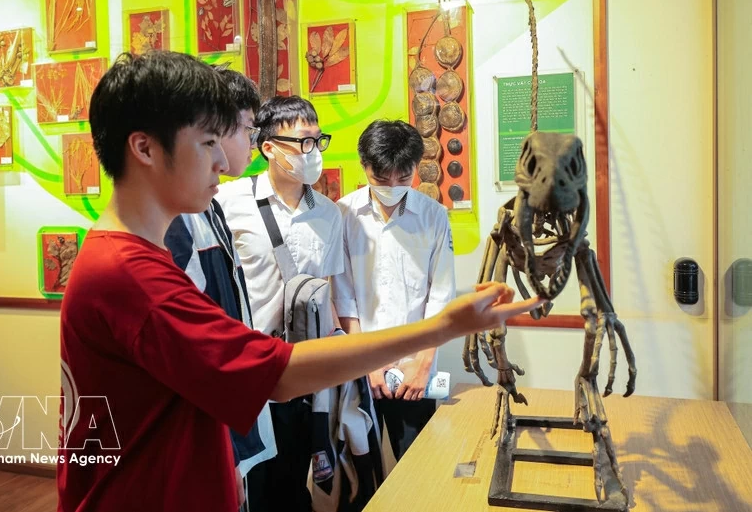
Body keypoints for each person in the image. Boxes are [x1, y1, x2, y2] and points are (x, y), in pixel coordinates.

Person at [57, 50, 543, 512]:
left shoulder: (139, 259)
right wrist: (442, 328)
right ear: (143, 147)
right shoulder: (130, 276)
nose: (225, 163)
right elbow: (280, 373)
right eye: (209, 142)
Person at [215, 95, 343, 511]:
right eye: (302, 142)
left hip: (302, 371)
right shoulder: (228, 203)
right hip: (247, 370)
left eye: (317, 141)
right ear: (268, 147)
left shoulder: (329, 213)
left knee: (292, 482)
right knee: (252, 487)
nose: (313, 153)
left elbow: (327, 289)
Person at [162, 66, 272, 511]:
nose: (227, 159)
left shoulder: (209, 207)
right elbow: (197, 356)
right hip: (206, 425)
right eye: (245, 130)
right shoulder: (173, 224)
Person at [333, 120, 456, 463]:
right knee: (360, 472)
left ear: (416, 167)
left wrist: (423, 362)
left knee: (417, 467)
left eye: (403, 178)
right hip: (360, 369)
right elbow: (343, 294)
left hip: (415, 370)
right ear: (365, 166)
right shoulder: (343, 214)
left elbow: (441, 296)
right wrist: (366, 363)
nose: (393, 186)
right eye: (381, 179)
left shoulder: (433, 215)